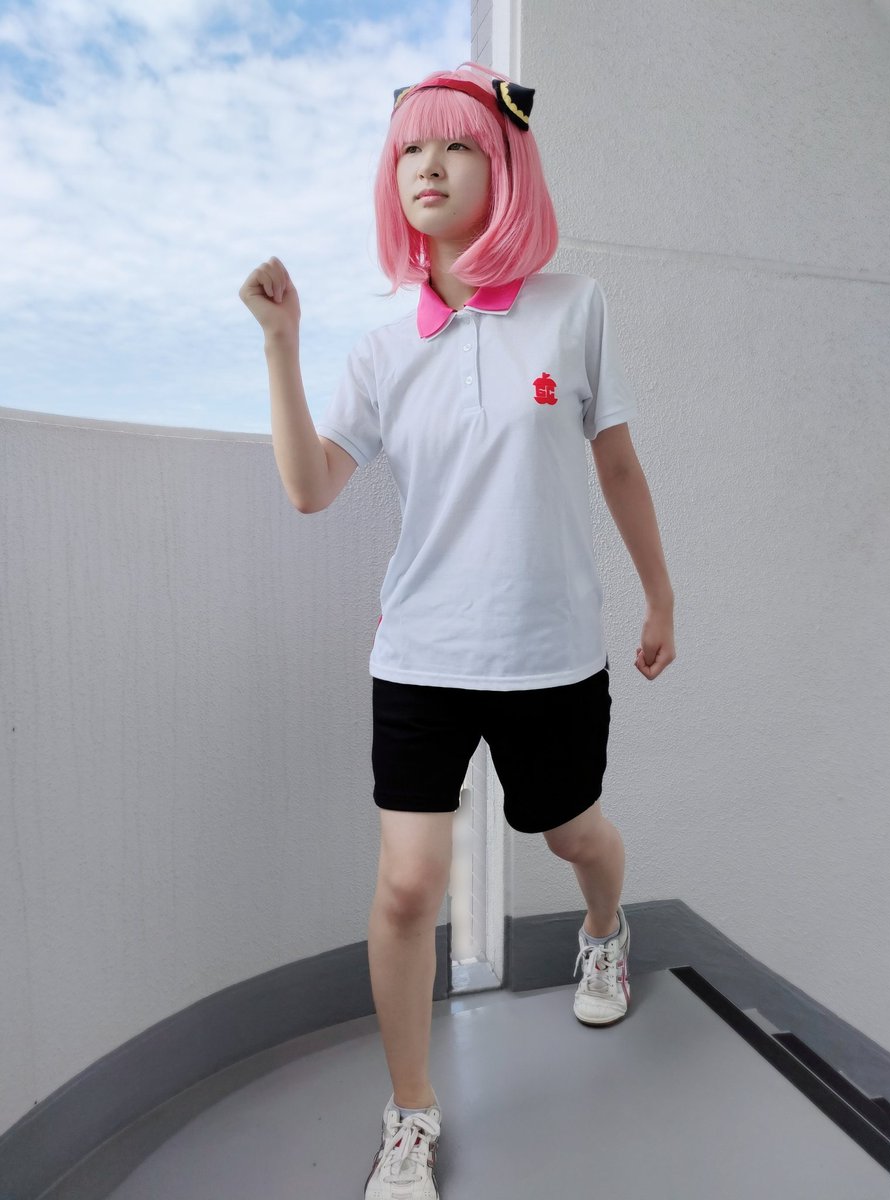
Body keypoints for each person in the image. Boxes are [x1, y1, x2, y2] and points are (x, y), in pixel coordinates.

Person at [239, 59, 675, 1200]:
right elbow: (310, 488)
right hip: (422, 657)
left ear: (507, 165)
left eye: (457, 145)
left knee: (573, 836)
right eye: (409, 151)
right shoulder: (383, 351)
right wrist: (282, 345)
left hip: (553, 655)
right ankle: (411, 1113)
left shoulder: (573, 308)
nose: (427, 166)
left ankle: (604, 928)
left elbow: (618, 465)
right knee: (406, 886)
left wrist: (661, 596)